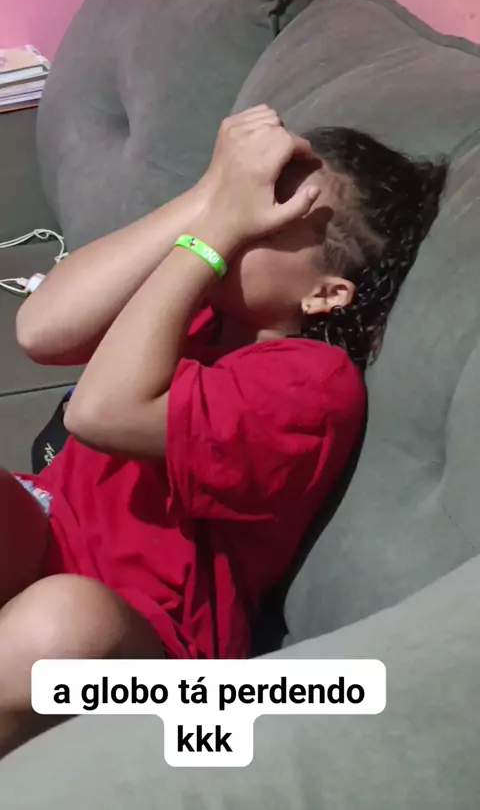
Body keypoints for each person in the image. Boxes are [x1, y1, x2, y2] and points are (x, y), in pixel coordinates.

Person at [0, 106, 447, 754]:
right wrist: (210, 195)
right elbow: (40, 330)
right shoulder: (193, 310)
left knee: (61, 624)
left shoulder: (310, 385)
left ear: (324, 293)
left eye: (274, 213)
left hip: (155, 642)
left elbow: (98, 413)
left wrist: (212, 235)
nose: (245, 216)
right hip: (49, 527)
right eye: (254, 194)